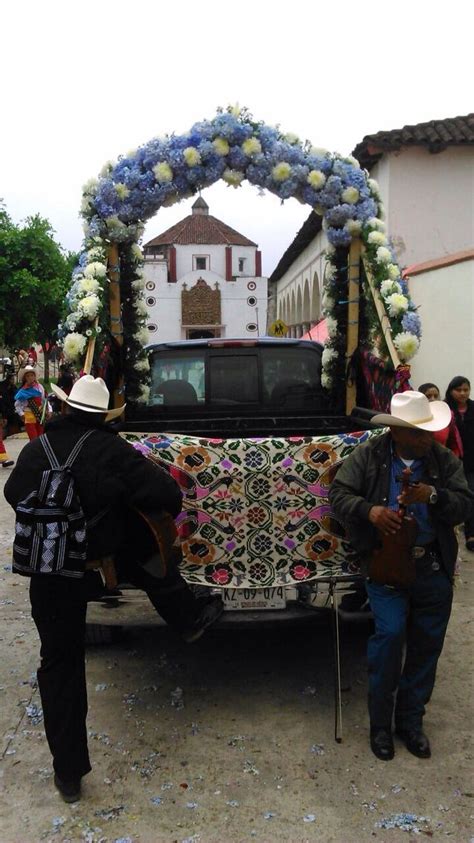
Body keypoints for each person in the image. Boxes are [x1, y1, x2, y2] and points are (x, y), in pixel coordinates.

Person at [4, 375, 223, 803]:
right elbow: (167, 496)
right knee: (143, 539)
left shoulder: (34, 451)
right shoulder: (113, 451)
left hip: (51, 573)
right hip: (100, 564)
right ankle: (187, 616)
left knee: (59, 666)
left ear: (64, 409)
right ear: (104, 416)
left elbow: (14, 492)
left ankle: (68, 775)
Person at [329, 391, 473, 761]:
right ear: (398, 433)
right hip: (386, 564)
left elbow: (465, 504)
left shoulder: (442, 460)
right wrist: (370, 511)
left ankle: (411, 723)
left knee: (427, 646)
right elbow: (338, 494)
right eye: (420, 432)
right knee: (390, 638)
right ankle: (380, 727)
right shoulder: (371, 455)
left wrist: (435, 498)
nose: (429, 438)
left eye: (428, 431)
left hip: (433, 567)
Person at [445, 376, 474, 551]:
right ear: (451, 391)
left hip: (472, 462)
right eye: (459, 390)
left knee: (471, 494)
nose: (463, 393)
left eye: (466, 389)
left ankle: (471, 534)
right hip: (452, 461)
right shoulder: (445, 410)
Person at [418, 383, 463, 457]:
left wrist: (452, 458)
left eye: (436, 396)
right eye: (428, 396)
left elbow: (454, 442)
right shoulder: (414, 417)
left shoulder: (447, 416)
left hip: (441, 463)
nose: (433, 399)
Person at [14, 366, 50, 439]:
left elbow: (44, 400)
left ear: (34, 376)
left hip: (40, 415)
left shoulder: (40, 387)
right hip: (29, 415)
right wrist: (22, 414)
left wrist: (48, 410)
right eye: (28, 376)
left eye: (32, 375)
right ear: (25, 378)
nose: (30, 377)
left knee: (41, 437)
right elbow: (17, 405)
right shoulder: (22, 391)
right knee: (33, 438)